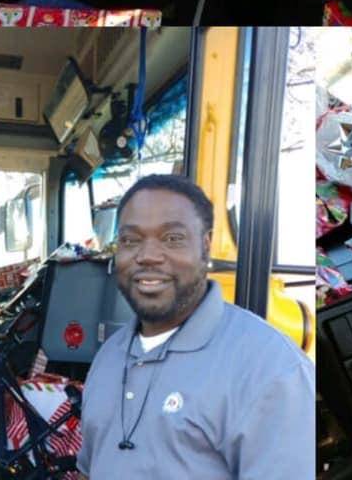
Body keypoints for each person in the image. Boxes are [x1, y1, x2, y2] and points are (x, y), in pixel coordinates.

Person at [76, 174, 315, 478]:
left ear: (205, 246)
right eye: (130, 240)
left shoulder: (272, 370)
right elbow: (90, 469)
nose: (147, 256)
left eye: (173, 238)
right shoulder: (108, 356)